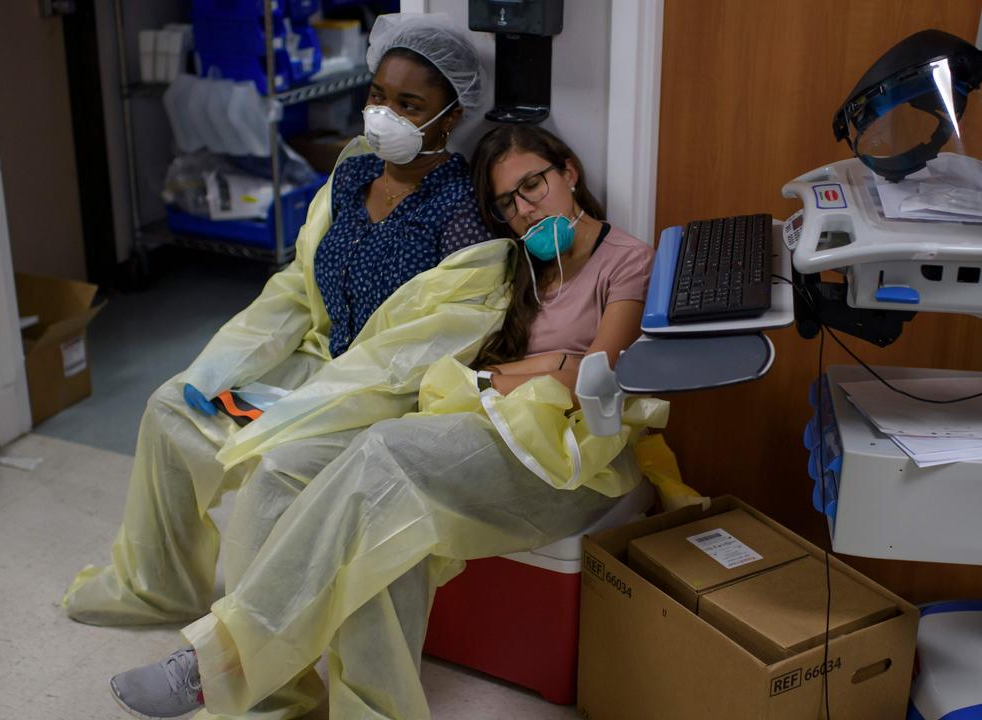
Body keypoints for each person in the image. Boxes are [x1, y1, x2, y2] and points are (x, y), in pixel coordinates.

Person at [105, 125, 667, 720]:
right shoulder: (514, 267)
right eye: (508, 202)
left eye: (534, 185)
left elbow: (592, 379)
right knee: (284, 469)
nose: (526, 210)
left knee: (385, 458)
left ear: (569, 173)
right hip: (473, 424)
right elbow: (474, 359)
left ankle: (219, 660)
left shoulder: (626, 259)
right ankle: (277, 694)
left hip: (563, 462)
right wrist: (544, 364)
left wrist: (540, 368)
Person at [61, 13, 512, 627]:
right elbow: (298, 287)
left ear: (450, 116)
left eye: (409, 104)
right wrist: (222, 367)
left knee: (277, 470)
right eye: (377, 95)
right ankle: (158, 587)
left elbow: (414, 356)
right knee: (172, 409)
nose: (384, 114)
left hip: (380, 399)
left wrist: (299, 409)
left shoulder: (461, 217)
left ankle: (254, 655)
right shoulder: (353, 173)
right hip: (314, 364)